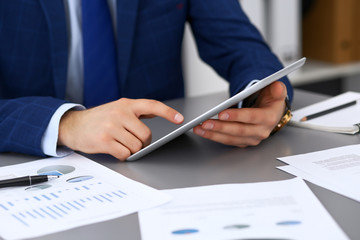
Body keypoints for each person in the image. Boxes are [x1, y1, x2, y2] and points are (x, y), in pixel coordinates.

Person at [0, 0, 293, 161]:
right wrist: (67, 124)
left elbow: (241, 45)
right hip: (34, 164)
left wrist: (264, 93)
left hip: (160, 161)